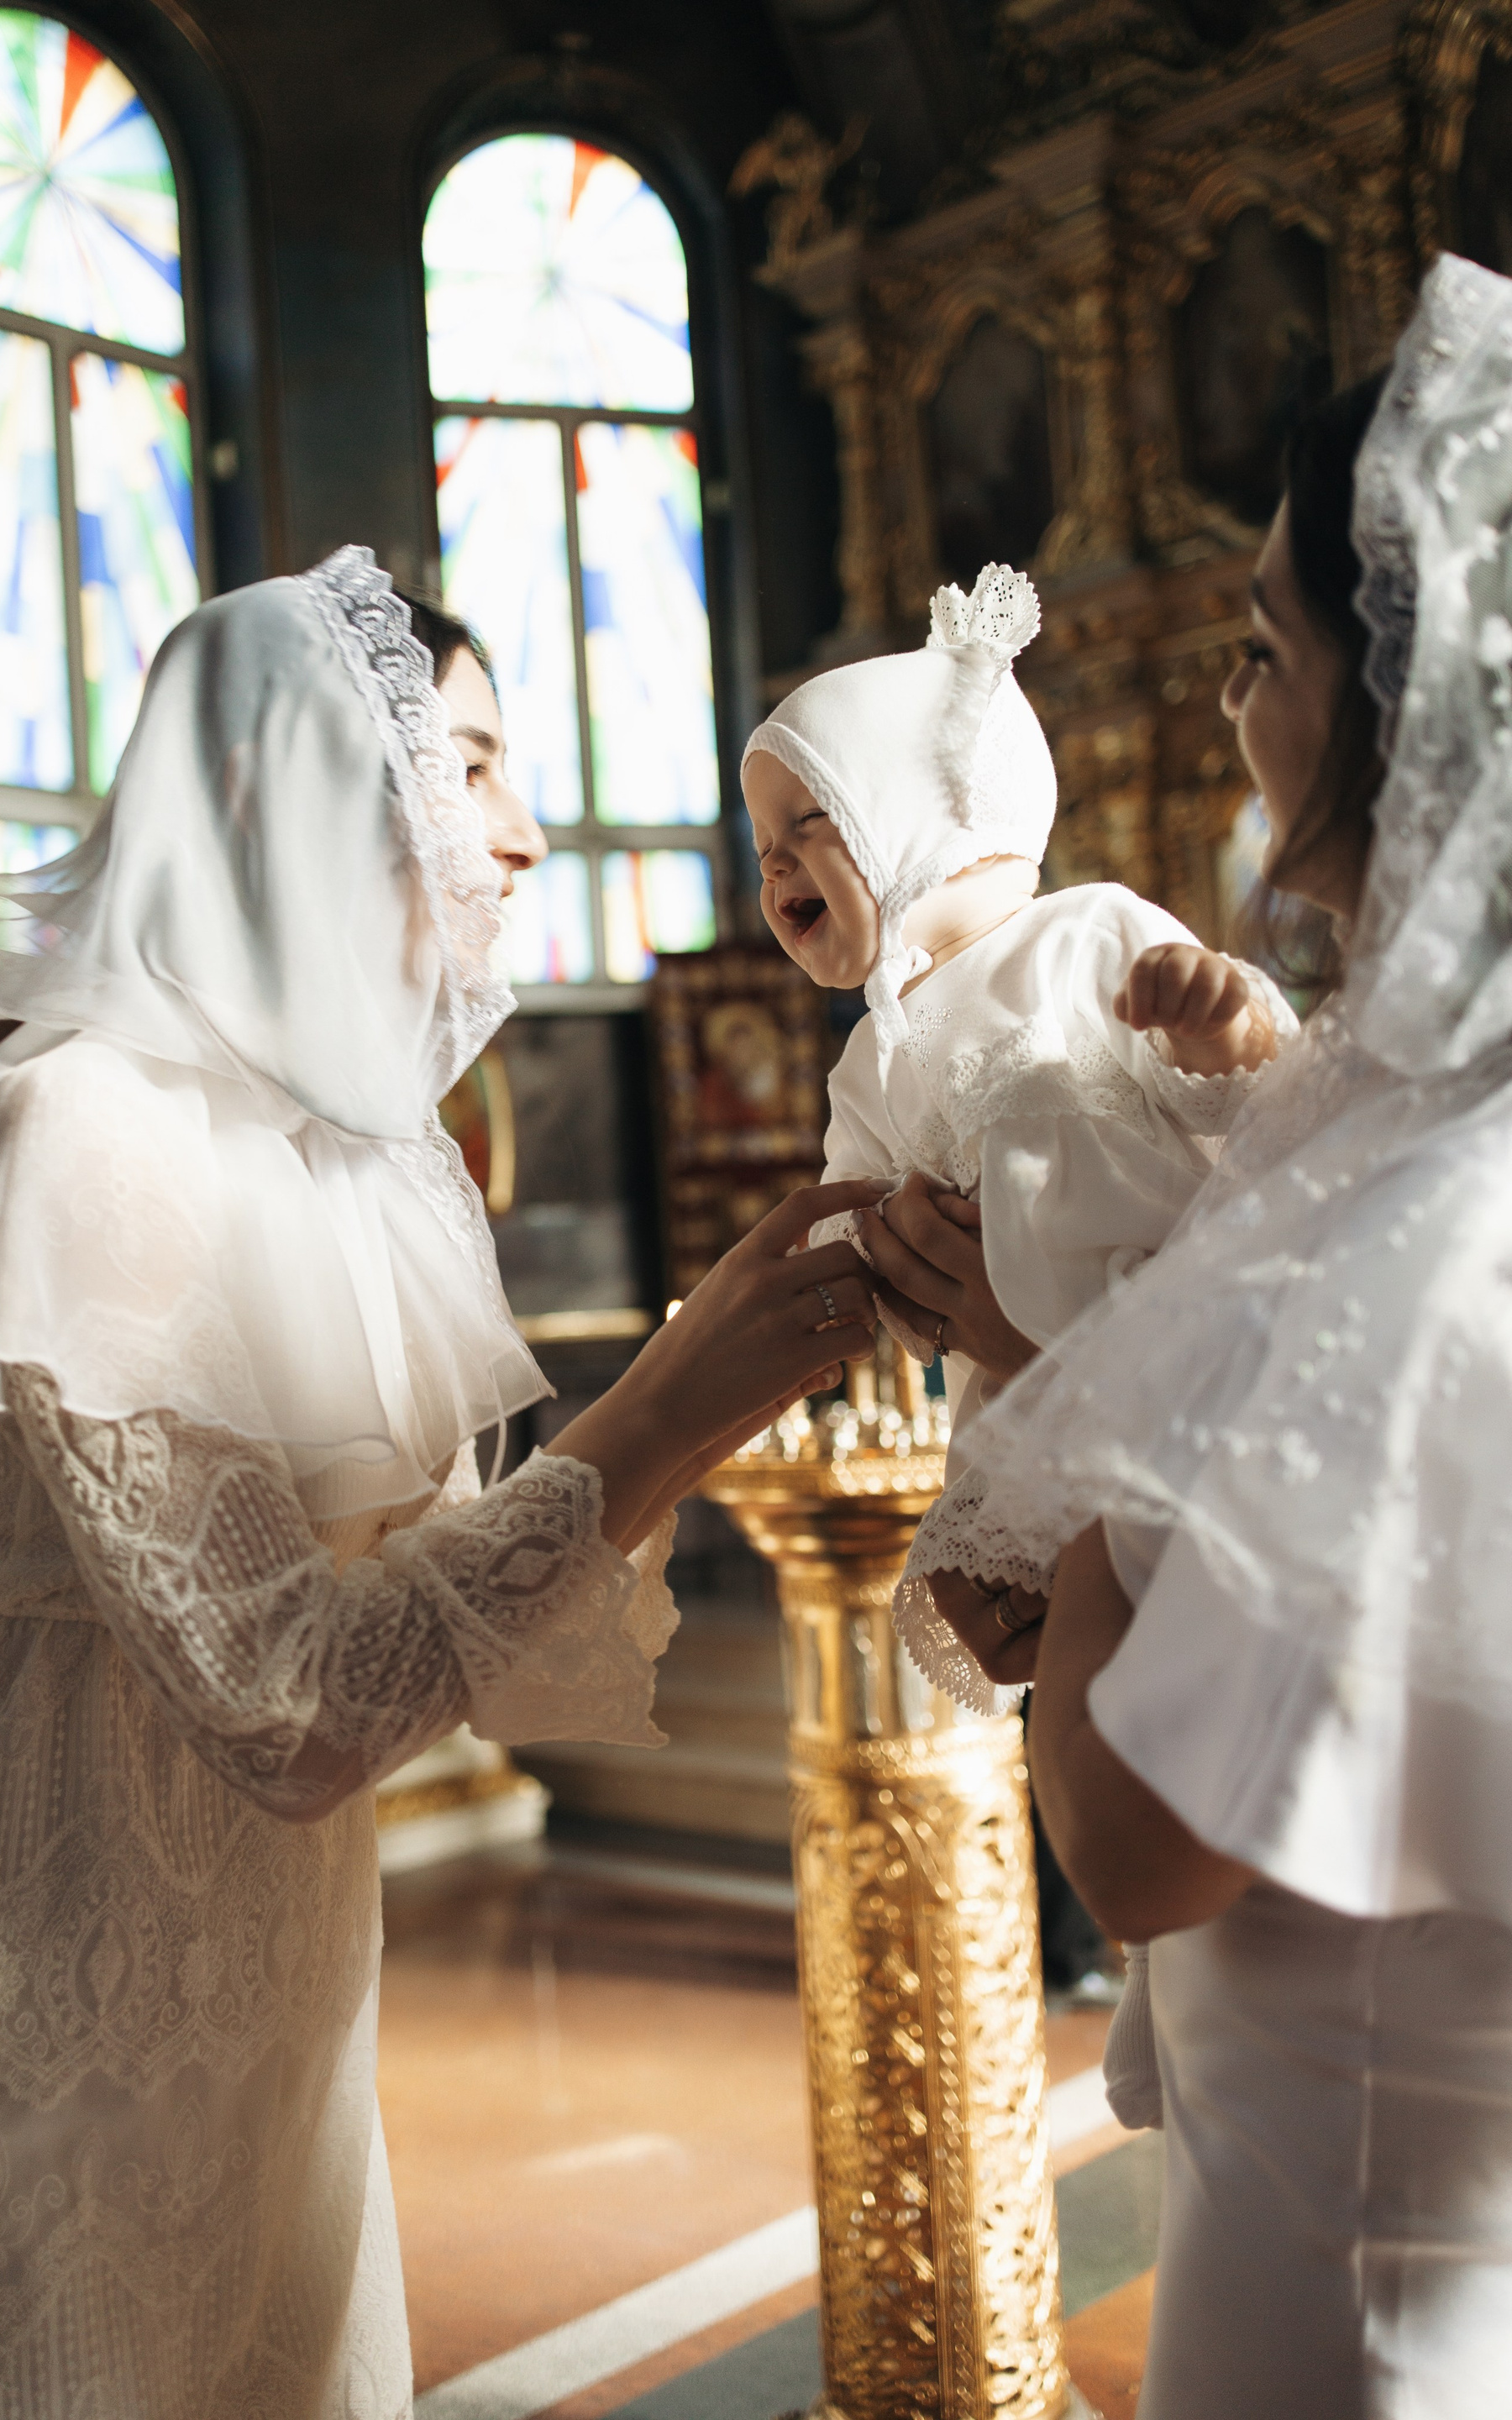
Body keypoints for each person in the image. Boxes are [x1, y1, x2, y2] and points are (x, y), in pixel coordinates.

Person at [0, 548, 884, 2419]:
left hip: (274, 1995)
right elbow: (287, 1698)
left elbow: (452, 1637)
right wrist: (672, 1392)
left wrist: (723, 1383)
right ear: (277, 782)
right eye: (473, 762)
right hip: (50, 1978)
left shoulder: (333, 1159)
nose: (522, 837)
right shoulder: (77, 1126)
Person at [874, 254, 1512, 2415]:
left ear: (1406, 713)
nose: (1234, 704)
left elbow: (1147, 1843)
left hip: (1361, 2274)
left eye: (1263, 650)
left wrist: (1064, 1447)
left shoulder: (1435, 1216)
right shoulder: (1393, 1112)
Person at [739, 570, 1295, 1702]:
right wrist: (850, 1267)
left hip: (1183, 1346)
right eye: (761, 848)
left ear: (928, 816)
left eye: (810, 823)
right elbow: (854, 1224)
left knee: (1209, 1663)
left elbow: (1251, 1106)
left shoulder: (1084, 934)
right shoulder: (869, 1055)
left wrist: (1216, 1023)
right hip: (1019, 1410)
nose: (776, 866)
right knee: (1049, 1652)